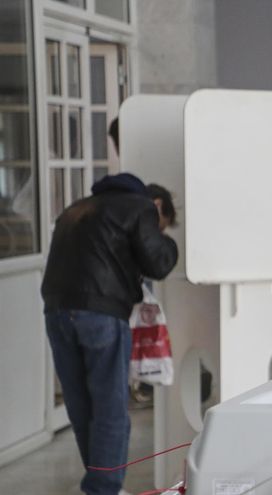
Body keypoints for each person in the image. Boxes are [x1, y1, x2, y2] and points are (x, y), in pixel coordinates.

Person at [42, 172, 178, 495]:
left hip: (57, 312)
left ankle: (100, 485)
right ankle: (104, 488)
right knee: (110, 408)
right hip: (100, 313)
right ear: (157, 206)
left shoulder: (77, 209)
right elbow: (158, 262)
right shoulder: (141, 207)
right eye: (162, 225)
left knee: (81, 406)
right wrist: (167, 242)